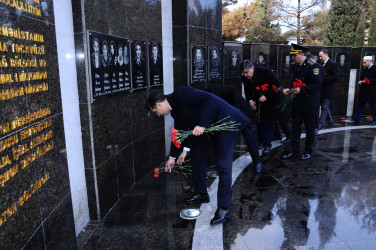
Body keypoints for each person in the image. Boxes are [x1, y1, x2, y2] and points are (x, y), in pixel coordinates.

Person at [147, 86, 256, 225]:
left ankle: (224, 208)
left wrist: (202, 124)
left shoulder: (181, 93)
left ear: (159, 104)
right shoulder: (175, 111)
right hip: (208, 128)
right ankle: (201, 193)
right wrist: (172, 157)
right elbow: (179, 132)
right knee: (197, 156)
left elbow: (209, 100)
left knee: (223, 165)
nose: (158, 115)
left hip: (224, 121)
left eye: (156, 111)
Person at [176, 85, 262, 173]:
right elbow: (192, 128)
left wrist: (234, 111)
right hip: (223, 115)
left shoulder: (211, 91)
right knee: (218, 138)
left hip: (238, 109)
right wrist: (185, 150)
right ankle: (220, 162)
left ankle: (257, 161)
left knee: (247, 133)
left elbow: (233, 89)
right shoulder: (197, 109)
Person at [282, 44, 322, 160]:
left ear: (301, 54)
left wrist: (301, 90)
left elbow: (317, 84)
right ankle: (294, 151)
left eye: (294, 56)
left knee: (310, 129)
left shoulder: (313, 66)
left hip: (309, 103)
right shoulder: (296, 66)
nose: (292, 58)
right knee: (295, 128)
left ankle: (308, 151)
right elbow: (295, 81)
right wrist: (289, 89)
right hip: (298, 103)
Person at [240, 59, 281, 155]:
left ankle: (267, 144)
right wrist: (250, 101)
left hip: (271, 99)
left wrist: (266, 95)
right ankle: (261, 142)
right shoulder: (244, 78)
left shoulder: (265, 72)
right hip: (259, 100)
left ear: (252, 68)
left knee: (268, 122)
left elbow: (277, 85)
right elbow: (248, 91)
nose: (246, 75)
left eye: (247, 72)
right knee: (259, 122)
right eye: (243, 73)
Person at [317, 49, 339, 131]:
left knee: (324, 107)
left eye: (321, 56)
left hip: (328, 90)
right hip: (321, 90)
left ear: (326, 55)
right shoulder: (320, 63)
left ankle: (320, 123)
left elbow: (335, 76)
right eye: (319, 56)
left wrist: (323, 79)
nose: (320, 58)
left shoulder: (333, 64)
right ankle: (330, 120)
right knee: (324, 106)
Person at [351, 56, 376, 125]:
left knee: (373, 106)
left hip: (372, 91)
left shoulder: (374, 68)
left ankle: (375, 120)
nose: (363, 64)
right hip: (363, 90)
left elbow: (374, 79)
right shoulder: (365, 69)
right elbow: (362, 78)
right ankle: (357, 119)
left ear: (370, 61)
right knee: (360, 105)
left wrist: (366, 81)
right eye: (363, 62)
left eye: (365, 62)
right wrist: (361, 81)